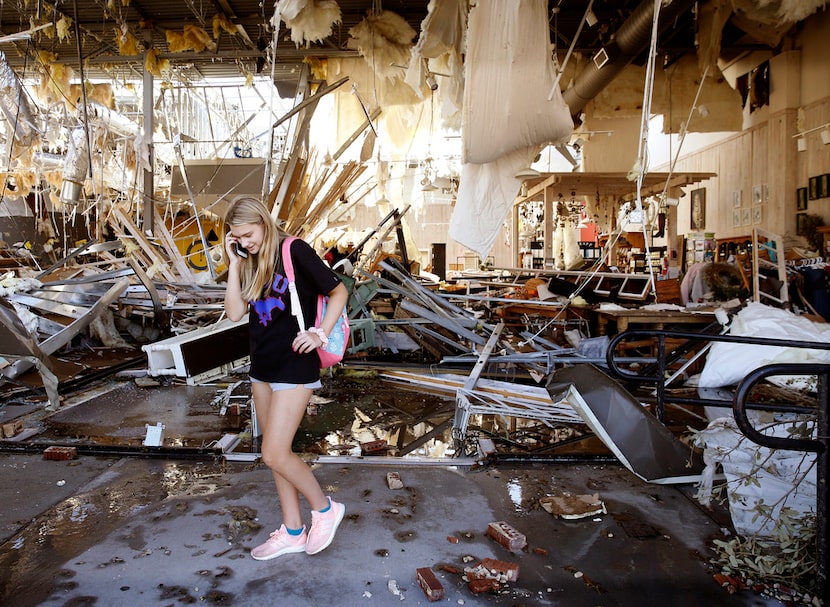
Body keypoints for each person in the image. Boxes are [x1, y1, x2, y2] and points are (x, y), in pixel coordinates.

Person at [222, 196, 350, 560]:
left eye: (248, 234)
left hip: (296, 365)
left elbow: (339, 290)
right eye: (238, 238)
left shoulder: (294, 250)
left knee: (273, 451)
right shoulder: (248, 261)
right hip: (262, 367)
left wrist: (319, 333)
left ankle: (325, 509)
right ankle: (293, 531)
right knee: (275, 456)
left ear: (263, 222)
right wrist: (235, 263)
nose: (245, 242)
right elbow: (233, 313)